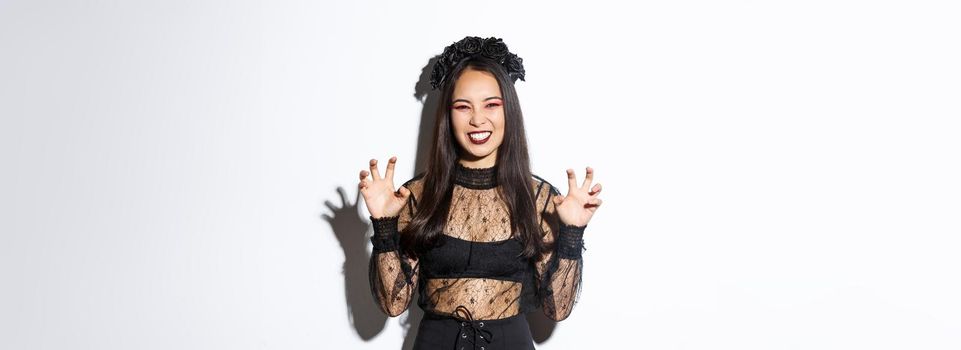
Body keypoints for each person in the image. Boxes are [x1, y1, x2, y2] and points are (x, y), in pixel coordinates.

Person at [359, 36, 603, 350]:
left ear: (508, 111)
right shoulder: (416, 195)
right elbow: (393, 305)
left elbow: (558, 308)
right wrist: (384, 226)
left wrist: (572, 233)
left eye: (491, 104)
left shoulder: (538, 197)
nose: (477, 119)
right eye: (463, 106)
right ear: (448, 115)